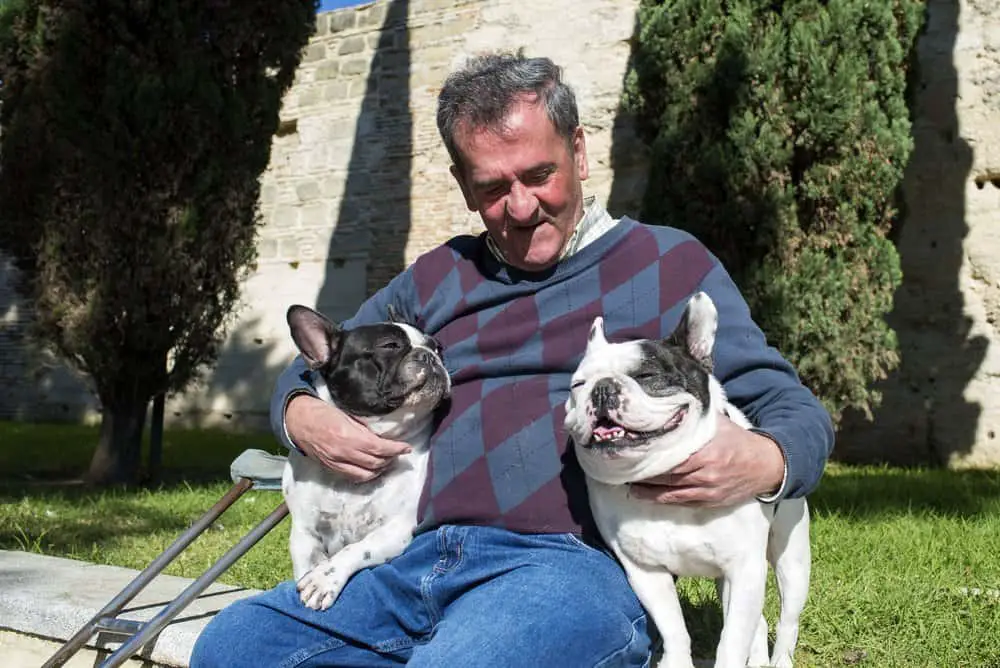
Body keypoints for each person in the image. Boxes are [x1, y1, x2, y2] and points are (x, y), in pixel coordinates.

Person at [191, 51, 834, 668]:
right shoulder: (439, 275)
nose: (521, 207)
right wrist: (300, 414)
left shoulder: (668, 263)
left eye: (538, 175)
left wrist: (765, 462)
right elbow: (322, 358)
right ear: (463, 187)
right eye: (493, 187)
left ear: (579, 152)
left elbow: (790, 407)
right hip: (412, 560)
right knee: (236, 647)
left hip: (565, 567)